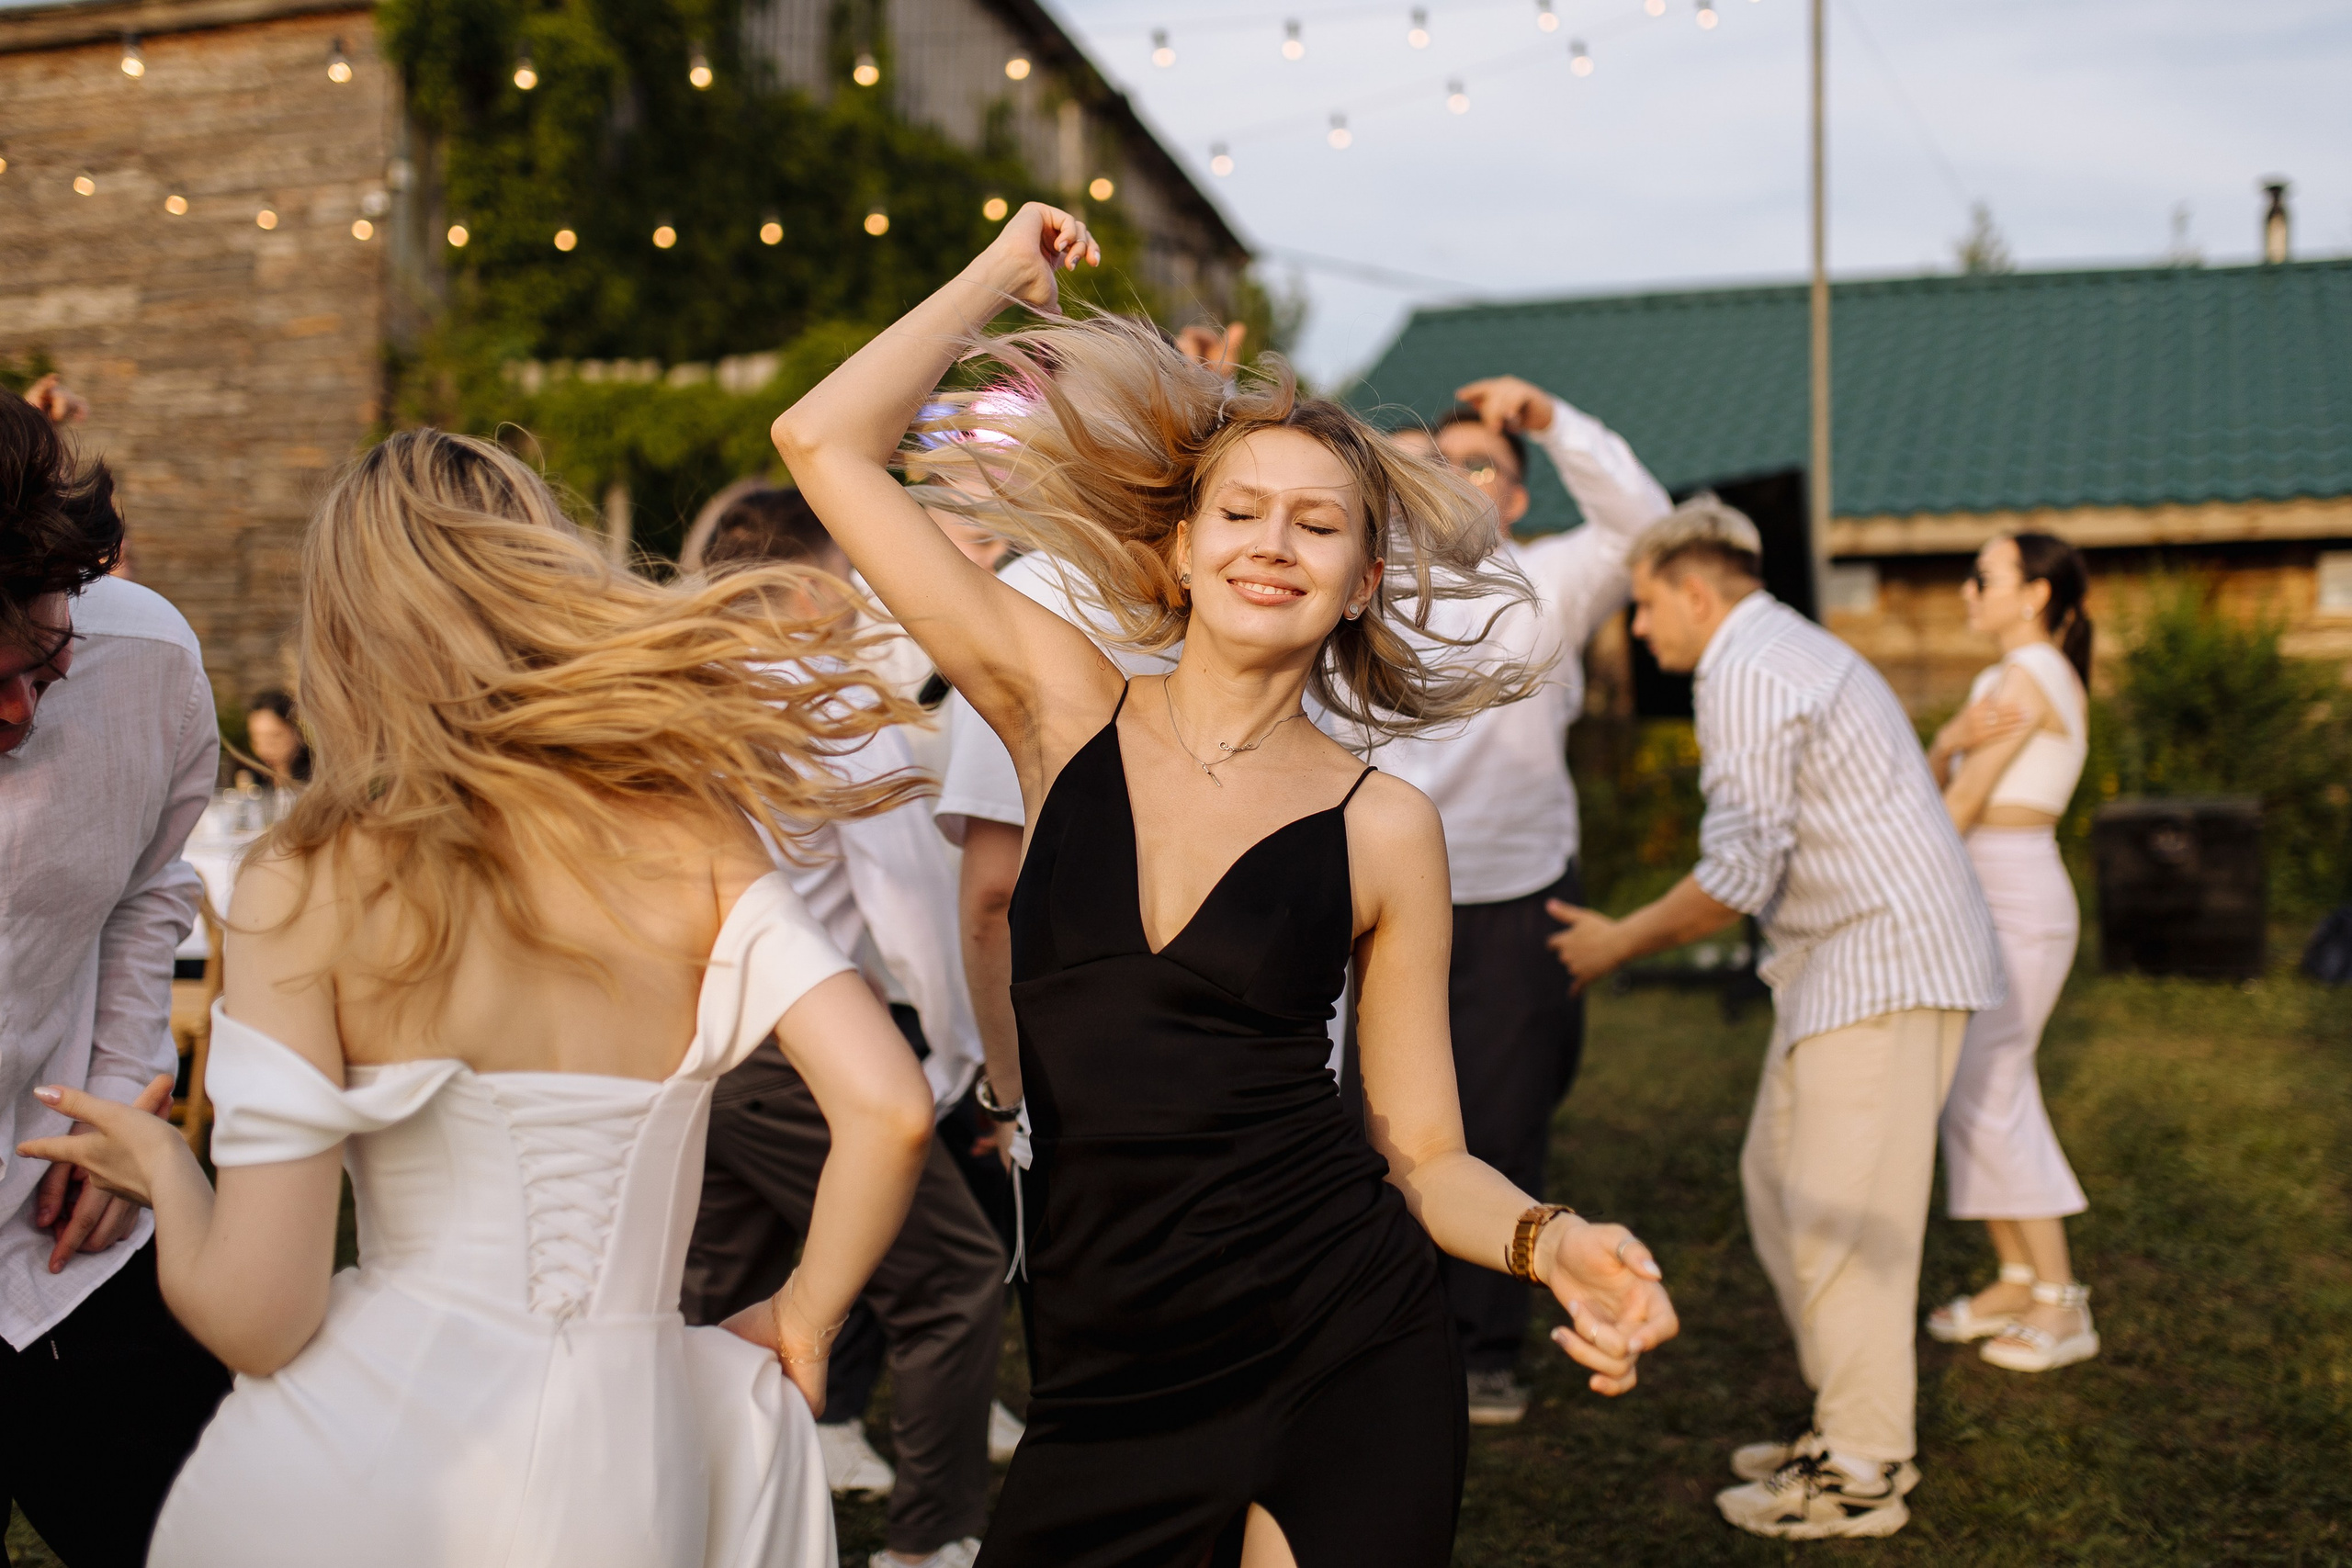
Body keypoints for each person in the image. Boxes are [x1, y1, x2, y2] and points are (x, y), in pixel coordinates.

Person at [773, 201, 1678, 1568]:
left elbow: (1424, 1155)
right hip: (1104, 1367)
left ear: (1361, 581)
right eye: (1240, 512)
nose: (1272, 542)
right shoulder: (1059, 709)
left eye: (1317, 525)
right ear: (1182, 550)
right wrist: (999, 277)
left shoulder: (1385, 826)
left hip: (1342, 1337)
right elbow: (822, 443)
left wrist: (1552, 1243)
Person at [19, 430, 938, 1568]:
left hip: (381, 1464)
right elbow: (891, 1108)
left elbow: (260, 1322)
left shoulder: (306, 878)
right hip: (635, 1456)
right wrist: (805, 1314)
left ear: (345, 633)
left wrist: (166, 1166)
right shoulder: (694, 834)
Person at [1547, 498, 2001, 1540]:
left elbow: (1736, 875)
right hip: (1841, 971)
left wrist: (1616, 941)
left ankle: (1860, 1469)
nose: (1639, 630)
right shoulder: (1774, 650)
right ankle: (1845, 1417)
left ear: (1695, 593)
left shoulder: (1747, 669)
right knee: (1779, 1187)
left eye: (1646, 606)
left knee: (1843, 1221)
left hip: (1884, 967)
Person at [683, 486, 1008, 1568]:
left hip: (681, 1042)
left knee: (704, 1300)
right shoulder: (831, 699)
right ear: (808, 582)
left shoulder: (673, 686)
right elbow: (910, 907)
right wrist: (961, 1059)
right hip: (797, 1045)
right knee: (952, 1281)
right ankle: (930, 1544)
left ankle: (683, 1518)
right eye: (846, 572)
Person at [1363, 378, 1671, 1426]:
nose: (1456, 479)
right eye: (1435, 463)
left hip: (1518, 896)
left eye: (1481, 464)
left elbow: (1648, 526)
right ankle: (1381, 1332)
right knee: (1376, 1124)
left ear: (1519, 497)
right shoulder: (1364, 586)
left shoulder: (1548, 582)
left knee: (1502, 1121)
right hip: (1379, 903)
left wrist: (1550, 420)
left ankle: (1483, 1350)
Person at [0, 389, 231, 1566]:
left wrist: (119, 1100)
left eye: (43, 663)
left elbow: (149, 887)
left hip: (71, 1250)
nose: (18, 708)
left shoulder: (149, 659)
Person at [1922, 534, 2098, 1372]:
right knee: (1971, 1086)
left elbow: (1959, 802)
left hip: (2019, 896)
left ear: (2034, 594)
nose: (1967, 590)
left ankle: (2063, 1301)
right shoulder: (1999, 679)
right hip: (1983, 889)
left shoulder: (2032, 674)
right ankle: (2018, 1277)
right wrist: (1947, 735)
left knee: (1992, 1085)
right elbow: (1942, 781)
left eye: (1981, 577)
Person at [243, 689, 310, 793]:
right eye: (256, 740)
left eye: (274, 738)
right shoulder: (253, 779)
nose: (264, 749)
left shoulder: (317, 776)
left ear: (297, 731)